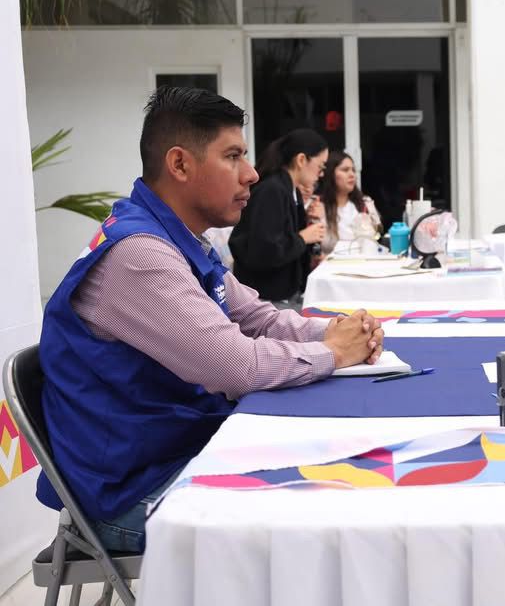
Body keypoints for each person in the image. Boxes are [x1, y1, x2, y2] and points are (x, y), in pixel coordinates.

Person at [37, 87, 384, 552]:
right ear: (179, 165)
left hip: (173, 453)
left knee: (341, 473)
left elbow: (258, 319)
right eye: (234, 156)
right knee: (321, 520)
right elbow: (236, 367)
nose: (253, 173)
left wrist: (340, 331)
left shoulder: (178, 240)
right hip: (132, 493)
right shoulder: (140, 255)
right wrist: (332, 353)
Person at [229, 128, 328, 305]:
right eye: (320, 166)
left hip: (283, 294)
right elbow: (264, 249)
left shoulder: (291, 190)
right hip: (266, 299)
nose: (321, 174)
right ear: (301, 160)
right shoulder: (272, 190)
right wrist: (303, 237)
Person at [318, 151, 382, 255]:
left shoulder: (365, 203)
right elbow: (319, 246)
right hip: (329, 266)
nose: (352, 174)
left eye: (353, 170)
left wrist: (372, 229)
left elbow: (378, 235)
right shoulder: (318, 205)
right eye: (345, 170)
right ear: (330, 174)